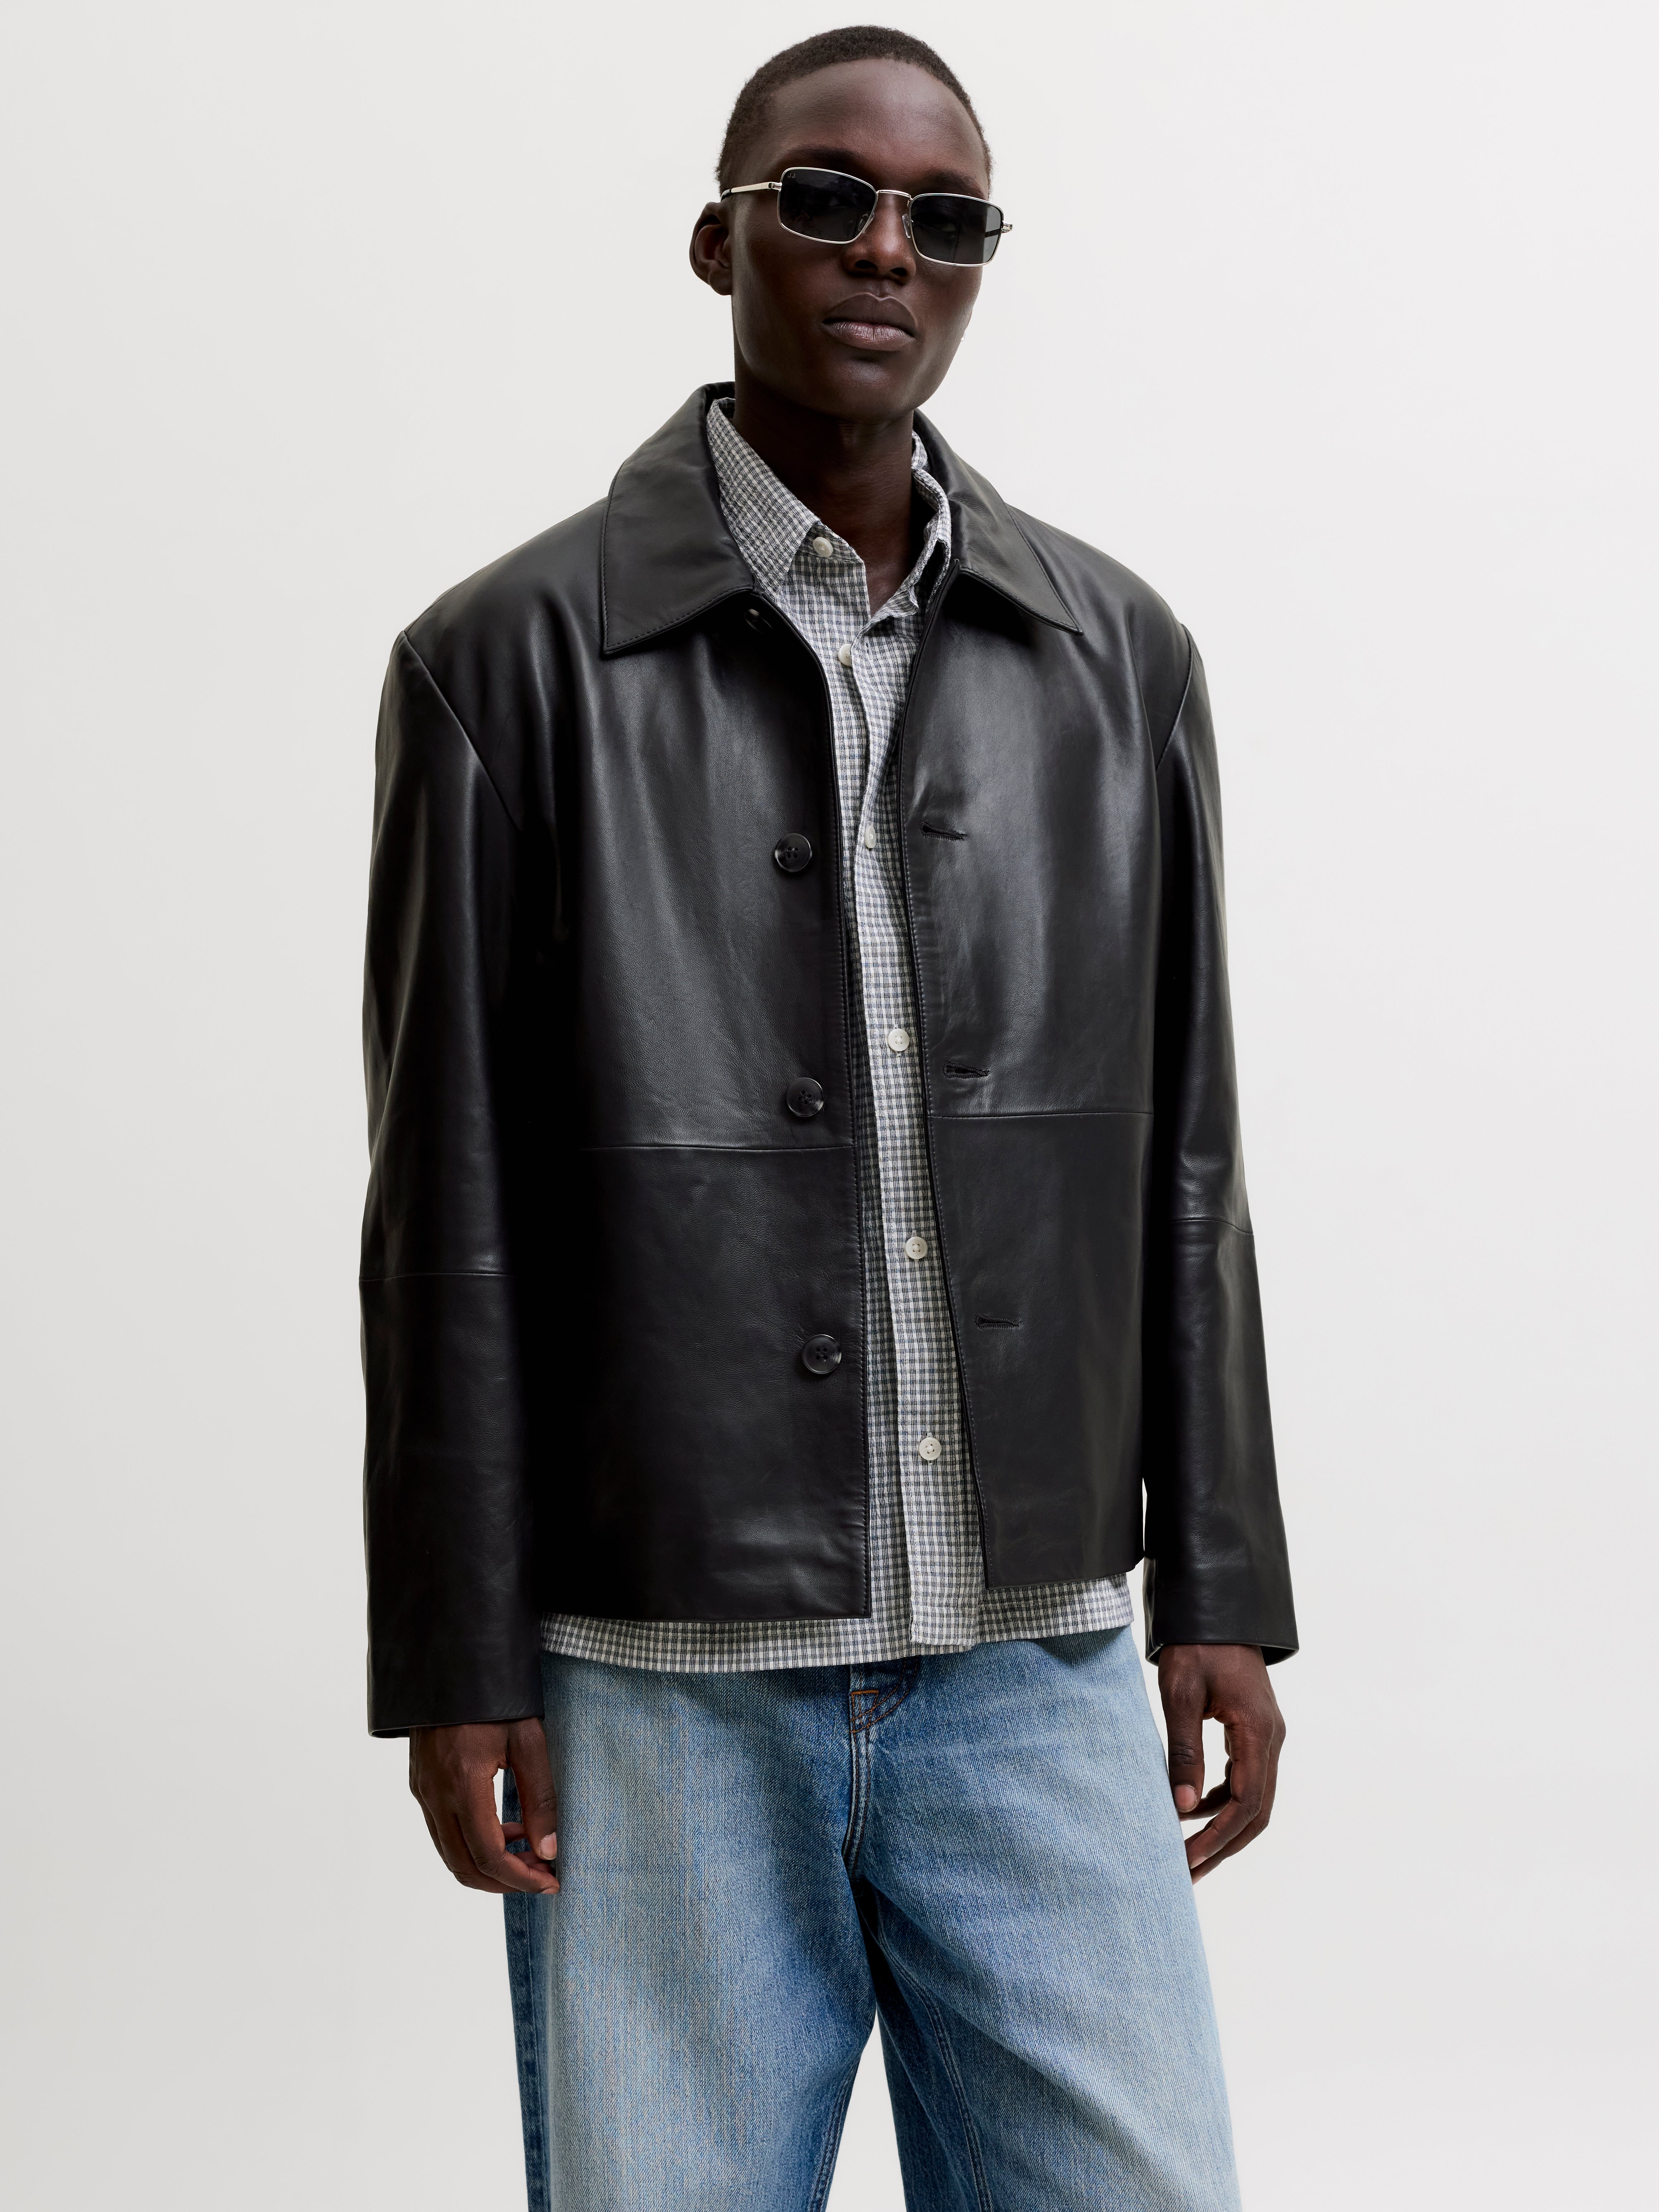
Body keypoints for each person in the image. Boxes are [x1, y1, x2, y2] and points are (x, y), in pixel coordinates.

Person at [360, 24, 1297, 2209]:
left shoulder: (1118, 661)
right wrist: (453, 1653)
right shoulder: (503, 664)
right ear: (720, 241)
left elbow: (1186, 1159)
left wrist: (1223, 1582)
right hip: (658, 1676)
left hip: (1033, 1659)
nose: (886, 250)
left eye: (942, 219)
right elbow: (445, 1212)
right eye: (825, 198)